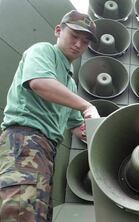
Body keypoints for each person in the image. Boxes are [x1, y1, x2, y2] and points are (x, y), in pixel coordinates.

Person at [0, 10, 100, 221]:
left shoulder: (69, 83)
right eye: (74, 36)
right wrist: (87, 106)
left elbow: (75, 126)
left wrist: (94, 132)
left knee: (38, 213)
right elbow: (40, 83)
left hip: (45, 151)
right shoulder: (43, 51)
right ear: (58, 30)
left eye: (85, 41)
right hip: (24, 141)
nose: (78, 45)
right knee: (20, 211)